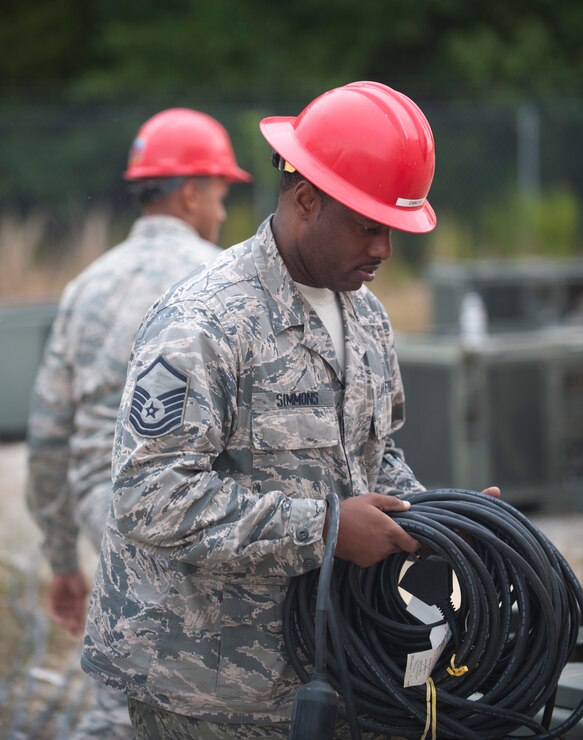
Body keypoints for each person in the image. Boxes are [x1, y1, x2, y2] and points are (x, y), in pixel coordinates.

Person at [81, 81, 500, 739]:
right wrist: (327, 530)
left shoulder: (364, 315)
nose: (383, 251)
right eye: (368, 226)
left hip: (326, 669)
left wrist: (441, 517)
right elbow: (148, 496)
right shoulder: (204, 323)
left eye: (391, 230)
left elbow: (374, 455)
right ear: (306, 199)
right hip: (204, 691)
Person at [25, 106, 252, 739]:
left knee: (121, 697)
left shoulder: (85, 287)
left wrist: (61, 558)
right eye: (221, 194)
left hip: (107, 515)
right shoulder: (226, 283)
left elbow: (48, 435)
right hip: (201, 520)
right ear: (189, 193)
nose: (224, 212)